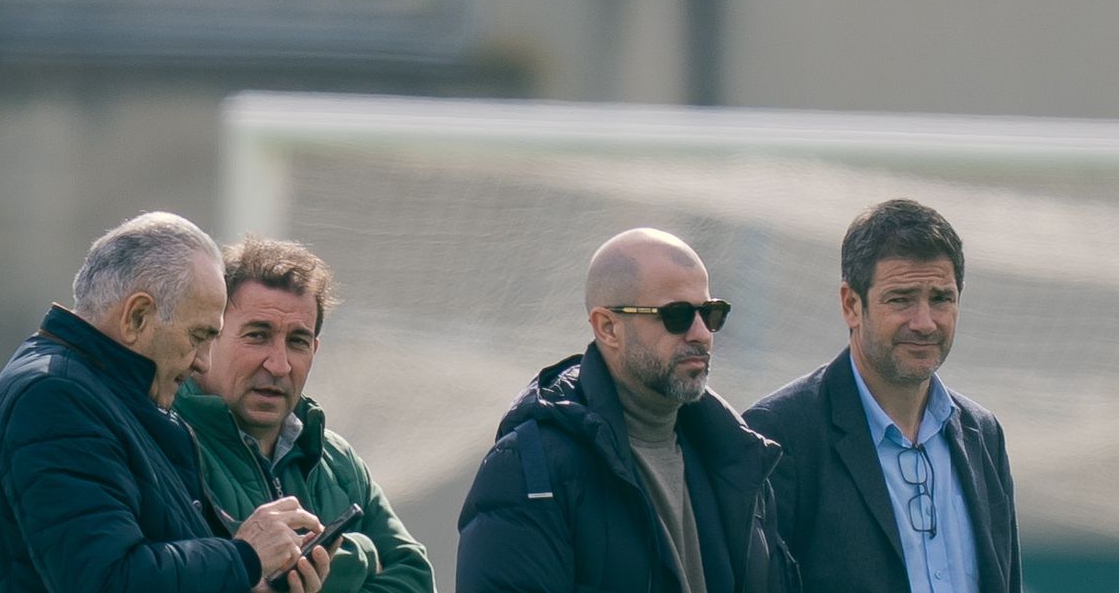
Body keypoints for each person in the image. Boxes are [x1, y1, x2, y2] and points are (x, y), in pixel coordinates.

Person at [0, 212, 332, 593]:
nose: (202, 362)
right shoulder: (54, 397)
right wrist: (245, 556)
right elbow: (110, 579)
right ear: (137, 316)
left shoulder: (109, 394)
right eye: (198, 336)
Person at [455, 227, 797, 593]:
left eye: (711, 313)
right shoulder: (529, 470)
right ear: (608, 327)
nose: (701, 333)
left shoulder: (737, 458)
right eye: (677, 315)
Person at [745, 199, 1021, 593]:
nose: (925, 322)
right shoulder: (777, 435)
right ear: (851, 305)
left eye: (941, 298)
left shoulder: (983, 434)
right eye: (901, 299)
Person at [176, 238, 438, 593]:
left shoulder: (337, 460)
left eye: (297, 341)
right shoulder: (162, 441)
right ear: (208, 336)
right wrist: (357, 557)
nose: (279, 364)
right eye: (257, 335)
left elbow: (416, 580)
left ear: (314, 350)